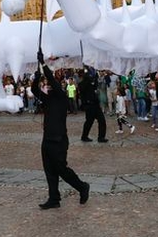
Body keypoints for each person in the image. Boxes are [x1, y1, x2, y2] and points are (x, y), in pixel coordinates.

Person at [32, 50, 90, 209]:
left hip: (59, 140)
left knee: (61, 169)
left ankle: (82, 186)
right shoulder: (48, 98)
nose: (50, 85)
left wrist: (44, 64)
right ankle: (54, 199)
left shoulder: (61, 97)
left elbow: (53, 82)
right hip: (47, 139)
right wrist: (36, 77)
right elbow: (34, 91)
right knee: (49, 170)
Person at [79, 65, 108, 143]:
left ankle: (101, 137)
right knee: (89, 122)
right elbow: (83, 89)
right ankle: (84, 136)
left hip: (95, 104)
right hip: (89, 105)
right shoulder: (82, 84)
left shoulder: (92, 82)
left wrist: (94, 77)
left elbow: (95, 85)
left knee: (102, 120)